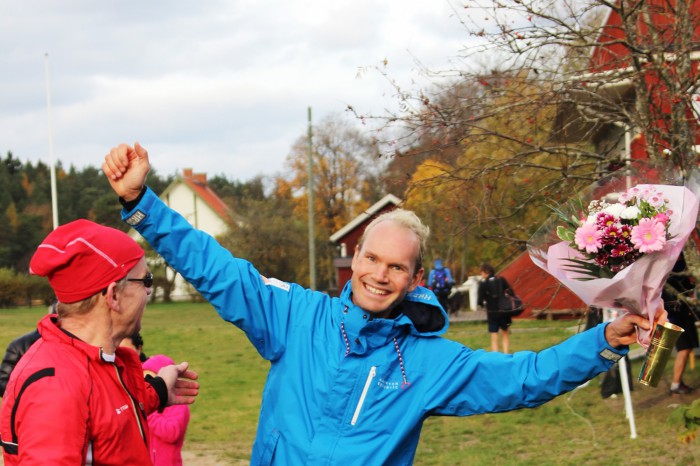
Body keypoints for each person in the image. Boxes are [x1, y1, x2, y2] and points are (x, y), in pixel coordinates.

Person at [102, 142, 657, 465]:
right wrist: (140, 203)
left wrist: (603, 341)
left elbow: (525, 376)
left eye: (396, 267)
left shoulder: (429, 362)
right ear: (355, 258)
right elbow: (218, 269)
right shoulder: (298, 317)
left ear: (416, 278)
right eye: (371, 259)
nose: (378, 275)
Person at [0, 219, 199, 465]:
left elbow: (104, 411)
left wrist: (158, 391)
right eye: (145, 281)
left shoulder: (97, 359)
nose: (149, 291)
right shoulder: (56, 387)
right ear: (113, 295)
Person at [143, 354, 191, 466]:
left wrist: (148, 412)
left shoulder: (178, 404)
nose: (148, 385)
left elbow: (172, 433)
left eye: (151, 378)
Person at [0, 302, 57, 397]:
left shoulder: (82, 345)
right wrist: (31, 395)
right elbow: (2, 381)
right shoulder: (20, 345)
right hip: (29, 408)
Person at [662, 252, 699, 395]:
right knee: (684, 349)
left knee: (687, 348)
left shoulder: (680, 265)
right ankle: (675, 385)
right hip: (675, 317)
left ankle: (677, 383)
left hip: (683, 314)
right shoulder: (669, 270)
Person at [477, 263, 513, 353]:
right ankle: (506, 354)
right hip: (504, 311)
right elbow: (511, 292)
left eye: (481, 272)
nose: (481, 275)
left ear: (486, 272)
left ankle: (496, 355)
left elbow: (479, 300)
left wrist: (482, 305)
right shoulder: (501, 279)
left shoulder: (483, 284)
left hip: (492, 312)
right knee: (505, 333)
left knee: (494, 334)